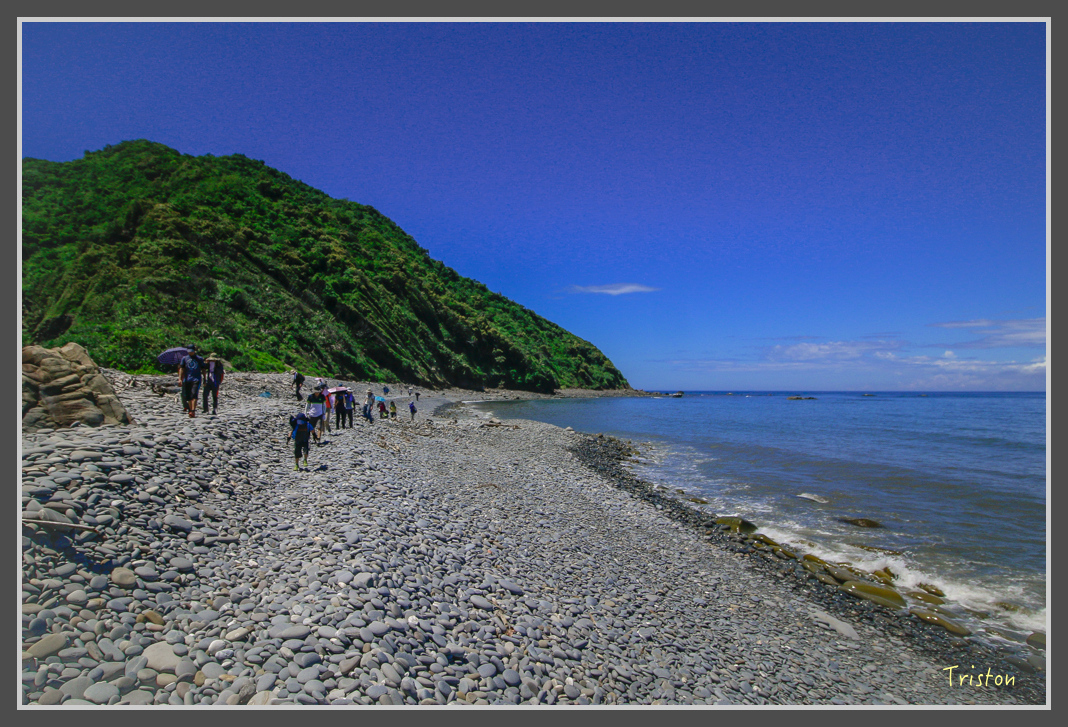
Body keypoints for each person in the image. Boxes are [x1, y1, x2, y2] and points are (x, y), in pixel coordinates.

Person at [178, 345, 206, 418]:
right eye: (189, 352)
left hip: (196, 379)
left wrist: (205, 379)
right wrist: (180, 379)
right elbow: (182, 368)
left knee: (194, 394)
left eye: (192, 351)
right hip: (187, 379)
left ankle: (193, 410)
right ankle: (190, 410)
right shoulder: (184, 358)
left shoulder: (199, 359)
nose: (190, 353)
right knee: (188, 396)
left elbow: (203, 369)